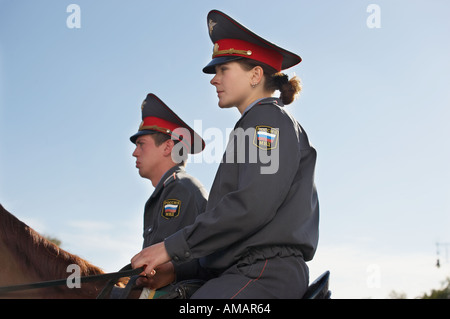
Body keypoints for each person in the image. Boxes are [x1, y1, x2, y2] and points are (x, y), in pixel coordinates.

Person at [131, 10, 319, 299]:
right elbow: (231, 239)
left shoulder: (266, 122)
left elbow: (252, 206)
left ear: (256, 75)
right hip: (244, 272)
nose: (214, 80)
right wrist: (177, 270)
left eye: (223, 70)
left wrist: (169, 247)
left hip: (264, 272)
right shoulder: (254, 124)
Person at [129, 93, 208, 295]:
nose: (134, 152)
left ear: (167, 147)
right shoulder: (170, 189)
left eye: (141, 144)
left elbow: (193, 261)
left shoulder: (180, 189)